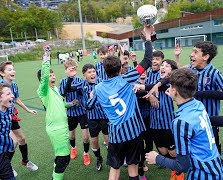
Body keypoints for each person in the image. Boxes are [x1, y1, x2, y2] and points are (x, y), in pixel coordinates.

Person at [87, 24, 154, 180]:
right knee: (132, 169)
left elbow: (89, 106)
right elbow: (147, 60)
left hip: (115, 135)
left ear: (104, 70)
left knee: (115, 169)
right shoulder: (126, 78)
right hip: (133, 132)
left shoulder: (98, 88)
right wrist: (148, 38)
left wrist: (92, 96)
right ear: (119, 69)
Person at [145, 68, 223, 180]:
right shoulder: (198, 104)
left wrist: (157, 158)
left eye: (170, 87)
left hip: (202, 175)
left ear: (174, 91)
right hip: (217, 169)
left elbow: (182, 165)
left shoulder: (180, 122)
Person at [0, 61, 38, 177]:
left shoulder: (14, 85)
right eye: (9, 69)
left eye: (13, 69)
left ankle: (25, 161)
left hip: (11, 116)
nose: (13, 71)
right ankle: (6, 165)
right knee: (12, 141)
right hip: (1, 119)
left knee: (22, 139)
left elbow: (16, 99)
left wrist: (28, 110)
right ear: (2, 73)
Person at [37, 45, 76, 180]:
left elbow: (60, 104)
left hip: (63, 127)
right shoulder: (44, 91)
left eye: (53, 74)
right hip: (56, 129)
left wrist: (70, 104)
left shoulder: (56, 89)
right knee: (64, 158)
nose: (52, 76)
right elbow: (44, 77)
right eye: (50, 75)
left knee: (62, 156)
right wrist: (47, 56)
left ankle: (55, 174)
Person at [66, 63, 109, 171]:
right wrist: (70, 78)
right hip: (91, 118)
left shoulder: (101, 82)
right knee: (94, 141)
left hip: (104, 116)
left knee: (108, 140)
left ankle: (111, 158)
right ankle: (99, 158)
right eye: (89, 72)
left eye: (93, 71)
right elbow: (68, 89)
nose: (92, 73)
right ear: (84, 75)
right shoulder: (82, 84)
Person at [59, 59, 90, 166]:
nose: (72, 70)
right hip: (71, 114)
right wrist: (71, 103)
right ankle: (73, 148)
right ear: (65, 70)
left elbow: (77, 90)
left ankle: (86, 153)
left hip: (82, 112)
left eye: (74, 67)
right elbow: (63, 93)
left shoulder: (80, 80)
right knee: (71, 136)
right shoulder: (62, 82)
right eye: (69, 68)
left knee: (86, 137)